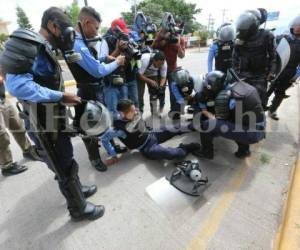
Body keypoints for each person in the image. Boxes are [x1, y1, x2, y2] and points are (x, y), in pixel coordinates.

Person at [0, 7, 105, 221]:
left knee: (66, 157)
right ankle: (78, 208)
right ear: (52, 26)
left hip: (52, 115)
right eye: (65, 30)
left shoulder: (43, 46)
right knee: (61, 163)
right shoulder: (28, 45)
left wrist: (59, 99)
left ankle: (77, 190)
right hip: (42, 120)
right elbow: (18, 86)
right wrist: (60, 96)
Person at [67, 6, 125, 172]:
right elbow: (98, 71)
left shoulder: (79, 43)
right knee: (91, 127)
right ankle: (94, 158)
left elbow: (87, 62)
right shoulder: (78, 45)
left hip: (94, 90)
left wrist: (102, 57)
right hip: (88, 91)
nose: (97, 31)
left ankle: (110, 148)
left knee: (105, 122)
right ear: (86, 23)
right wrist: (116, 62)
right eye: (96, 27)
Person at [101, 99, 200, 166]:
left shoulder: (134, 113)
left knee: (175, 127)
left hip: (151, 134)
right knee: (170, 154)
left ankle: (197, 126)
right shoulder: (118, 129)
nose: (136, 112)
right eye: (132, 111)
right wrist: (113, 155)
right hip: (147, 148)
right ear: (122, 114)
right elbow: (104, 139)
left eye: (135, 109)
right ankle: (186, 147)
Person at [192, 71, 266, 159]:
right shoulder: (240, 86)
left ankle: (206, 153)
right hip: (260, 128)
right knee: (235, 123)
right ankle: (244, 151)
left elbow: (221, 119)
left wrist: (213, 119)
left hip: (251, 133)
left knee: (207, 125)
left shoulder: (227, 96)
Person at [233, 9, 277, 109]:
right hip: (242, 75)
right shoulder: (239, 38)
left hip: (260, 76)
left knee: (259, 103)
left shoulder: (267, 35)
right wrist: (235, 74)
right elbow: (235, 58)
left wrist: (272, 72)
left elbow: (273, 56)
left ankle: (259, 122)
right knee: (239, 102)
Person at [0, 72, 41, 176]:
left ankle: (27, 150)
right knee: (2, 136)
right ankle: (7, 166)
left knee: (18, 125)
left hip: (3, 99)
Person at [101, 18, 140, 116]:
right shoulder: (104, 41)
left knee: (125, 110)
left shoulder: (124, 40)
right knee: (113, 112)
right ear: (114, 31)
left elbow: (123, 63)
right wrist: (118, 49)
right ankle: (114, 130)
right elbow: (104, 62)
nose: (123, 36)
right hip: (110, 83)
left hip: (123, 80)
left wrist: (128, 54)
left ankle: (124, 129)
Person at [153, 14, 186, 120]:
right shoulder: (162, 33)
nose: (175, 29)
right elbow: (153, 46)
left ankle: (175, 112)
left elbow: (181, 55)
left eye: (178, 27)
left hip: (172, 68)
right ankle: (159, 110)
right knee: (160, 90)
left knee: (174, 90)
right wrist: (165, 38)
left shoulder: (180, 38)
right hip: (160, 68)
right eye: (174, 25)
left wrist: (178, 41)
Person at [267, 15, 300, 120]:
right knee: (266, 90)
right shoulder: (281, 38)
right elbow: (271, 53)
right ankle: (258, 109)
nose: (298, 29)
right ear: (292, 27)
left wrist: (297, 74)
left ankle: (272, 111)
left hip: (290, 72)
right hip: (277, 69)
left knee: (280, 93)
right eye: (297, 27)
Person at [137, 50, 167, 116]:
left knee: (154, 92)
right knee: (140, 94)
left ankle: (154, 113)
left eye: (161, 64)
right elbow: (139, 75)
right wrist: (150, 81)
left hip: (153, 74)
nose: (160, 66)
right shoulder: (145, 60)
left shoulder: (163, 63)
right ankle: (140, 114)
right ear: (154, 60)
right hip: (141, 74)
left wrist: (161, 86)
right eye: (158, 64)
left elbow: (163, 77)